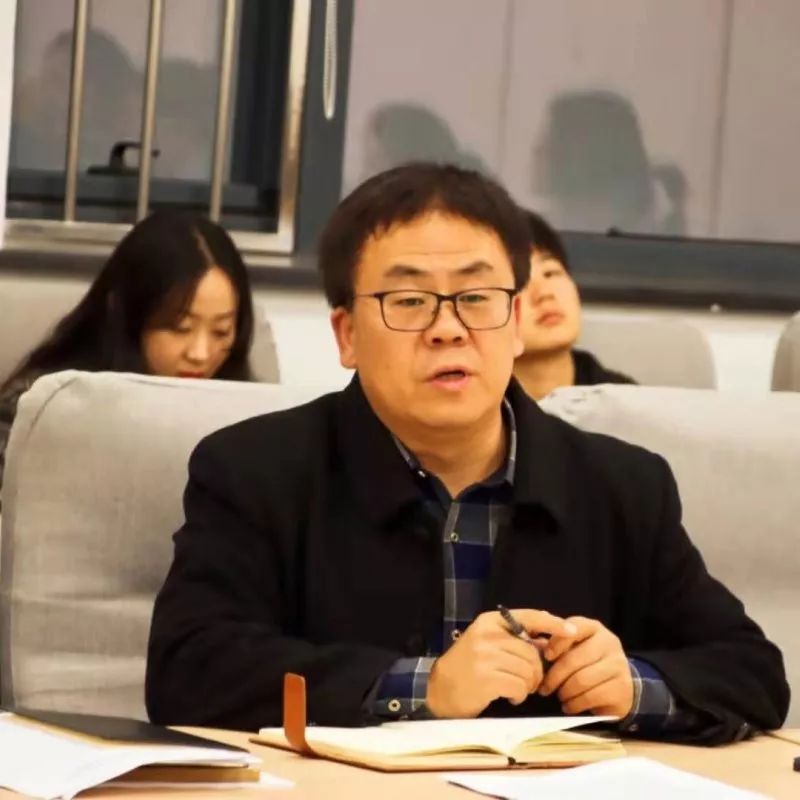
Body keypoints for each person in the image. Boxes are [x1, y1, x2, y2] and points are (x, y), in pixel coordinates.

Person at [146, 164, 788, 743]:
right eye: (409, 301)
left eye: (476, 299)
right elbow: (189, 670)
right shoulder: (253, 470)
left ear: (515, 321)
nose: (448, 328)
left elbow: (751, 672)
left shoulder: (622, 484)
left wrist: (632, 686)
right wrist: (423, 687)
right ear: (346, 334)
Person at [0, 211, 254, 498]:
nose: (200, 353)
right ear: (128, 314)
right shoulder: (41, 406)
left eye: (221, 331)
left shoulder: (248, 416)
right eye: (180, 328)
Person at [514, 210, 634, 400]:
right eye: (519, 283)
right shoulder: (473, 412)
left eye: (550, 273)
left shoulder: (625, 402)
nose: (544, 294)